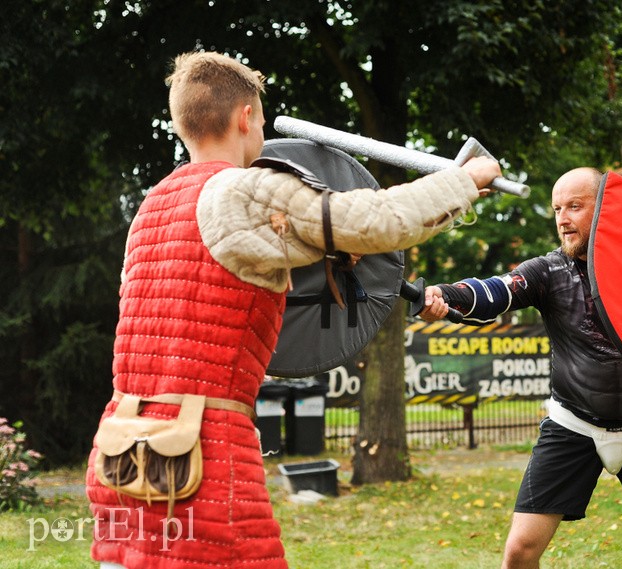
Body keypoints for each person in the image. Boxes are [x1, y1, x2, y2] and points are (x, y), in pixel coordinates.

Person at [85, 51, 501, 569]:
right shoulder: (244, 191)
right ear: (245, 117)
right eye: (259, 117)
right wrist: (467, 179)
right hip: (199, 463)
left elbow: (217, 283)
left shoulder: (152, 207)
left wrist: (331, 250)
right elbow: (377, 219)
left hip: (122, 455)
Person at [419, 167, 622, 569]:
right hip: (572, 426)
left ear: (605, 209)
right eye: (557, 209)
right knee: (519, 551)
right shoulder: (546, 272)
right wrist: (445, 295)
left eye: (575, 207)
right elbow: (497, 291)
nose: (563, 219)